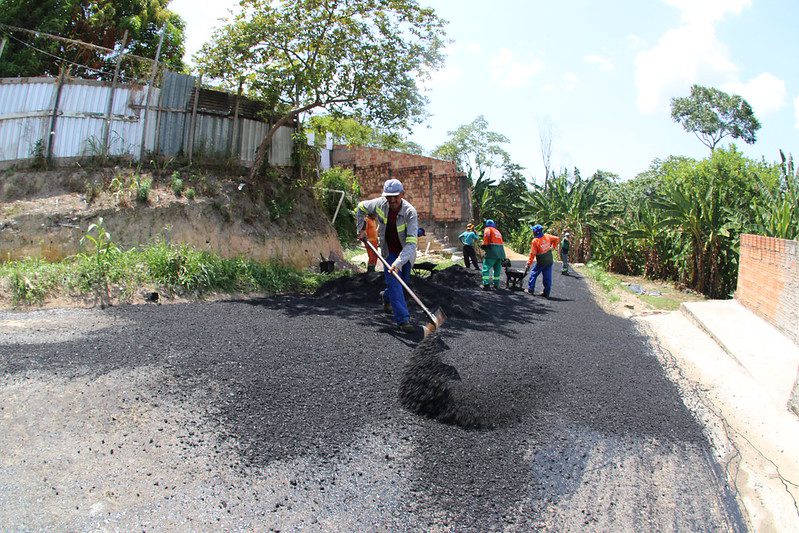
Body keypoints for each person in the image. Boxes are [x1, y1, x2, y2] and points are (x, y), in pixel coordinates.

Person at [355, 178, 419, 334]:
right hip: (388, 251)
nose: (392, 200)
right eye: (388, 196)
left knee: (403, 282)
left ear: (402, 194)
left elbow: (411, 244)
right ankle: (403, 320)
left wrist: (398, 262)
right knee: (396, 283)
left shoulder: (410, 213)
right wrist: (361, 228)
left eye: (395, 196)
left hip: (405, 253)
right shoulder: (379, 204)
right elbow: (360, 207)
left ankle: (386, 296)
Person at [525, 224, 560, 298]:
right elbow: (557, 238)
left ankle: (530, 290)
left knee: (533, 274)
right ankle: (546, 293)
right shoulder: (547, 236)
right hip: (549, 260)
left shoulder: (535, 241)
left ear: (535, 232)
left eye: (533, 231)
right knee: (547, 277)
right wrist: (553, 247)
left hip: (542, 260)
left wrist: (528, 264)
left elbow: (532, 254)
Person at [480, 219, 506, 290]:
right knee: (497, 270)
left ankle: (486, 285)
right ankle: (496, 285)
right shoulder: (497, 231)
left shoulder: (488, 229)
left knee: (485, 269)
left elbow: (487, 235)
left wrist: (485, 244)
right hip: (500, 253)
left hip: (492, 252)